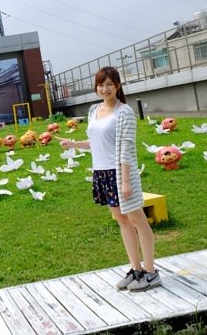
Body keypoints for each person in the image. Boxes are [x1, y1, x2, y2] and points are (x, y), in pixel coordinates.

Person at [57, 66, 161, 292]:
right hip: (101, 173)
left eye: (109, 85)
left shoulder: (124, 113)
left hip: (121, 173)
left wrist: (124, 182)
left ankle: (151, 272)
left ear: (118, 86)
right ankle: (135, 269)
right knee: (122, 221)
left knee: (138, 221)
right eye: (101, 85)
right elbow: (95, 142)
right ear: (96, 87)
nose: (104, 89)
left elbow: (125, 148)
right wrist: (73, 144)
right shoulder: (94, 110)